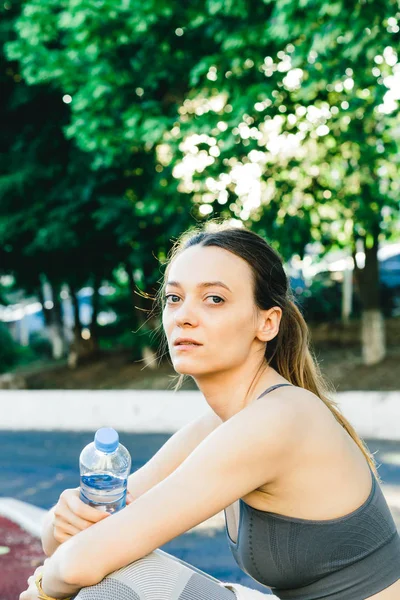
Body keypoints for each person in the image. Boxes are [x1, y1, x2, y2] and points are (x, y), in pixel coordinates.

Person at [21, 224, 400, 600]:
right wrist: (63, 519)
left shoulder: (279, 420)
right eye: (173, 298)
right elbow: (77, 539)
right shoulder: (217, 426)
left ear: (267, 322)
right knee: (115, 569)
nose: (184, 316)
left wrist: (42, 588)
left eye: (214, 299)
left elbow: (77, 564)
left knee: (112, 586)